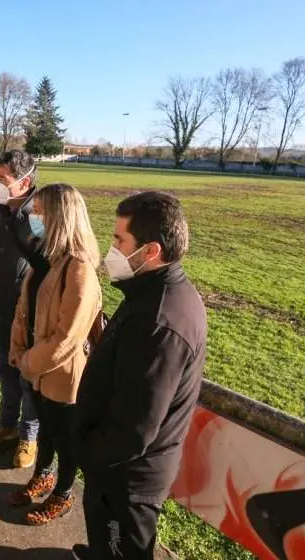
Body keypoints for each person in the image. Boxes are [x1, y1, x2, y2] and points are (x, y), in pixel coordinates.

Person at [73, 192, 207, 560]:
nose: (111, 248)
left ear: (150, 251)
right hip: (114, 472)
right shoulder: (151, 293)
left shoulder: (160, 320)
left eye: (119, 240)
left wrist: (88, 451)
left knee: (122, 550)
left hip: (126, 481)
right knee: (105, 545)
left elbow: (134, 429)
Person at [7, 183, 102, 526]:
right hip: (35, 366)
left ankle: (62, 493)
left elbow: (68, 339)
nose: (32, 217)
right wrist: (18, 350)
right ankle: (42, 477)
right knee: (46, 429)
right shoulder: (46, 259)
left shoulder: (79, 270)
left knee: (65, 437)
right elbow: (25, 309)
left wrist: (29, 362)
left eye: (38, 211)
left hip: (61, 373)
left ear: (59, 217)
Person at [0, 150, 41, 468]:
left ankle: (29, 436)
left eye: (2, 179)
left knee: (29, 382)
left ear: (24, 182)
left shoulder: (40, 220)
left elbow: (51, 268)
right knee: (6, 374)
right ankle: (6, 426)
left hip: (30, 319)